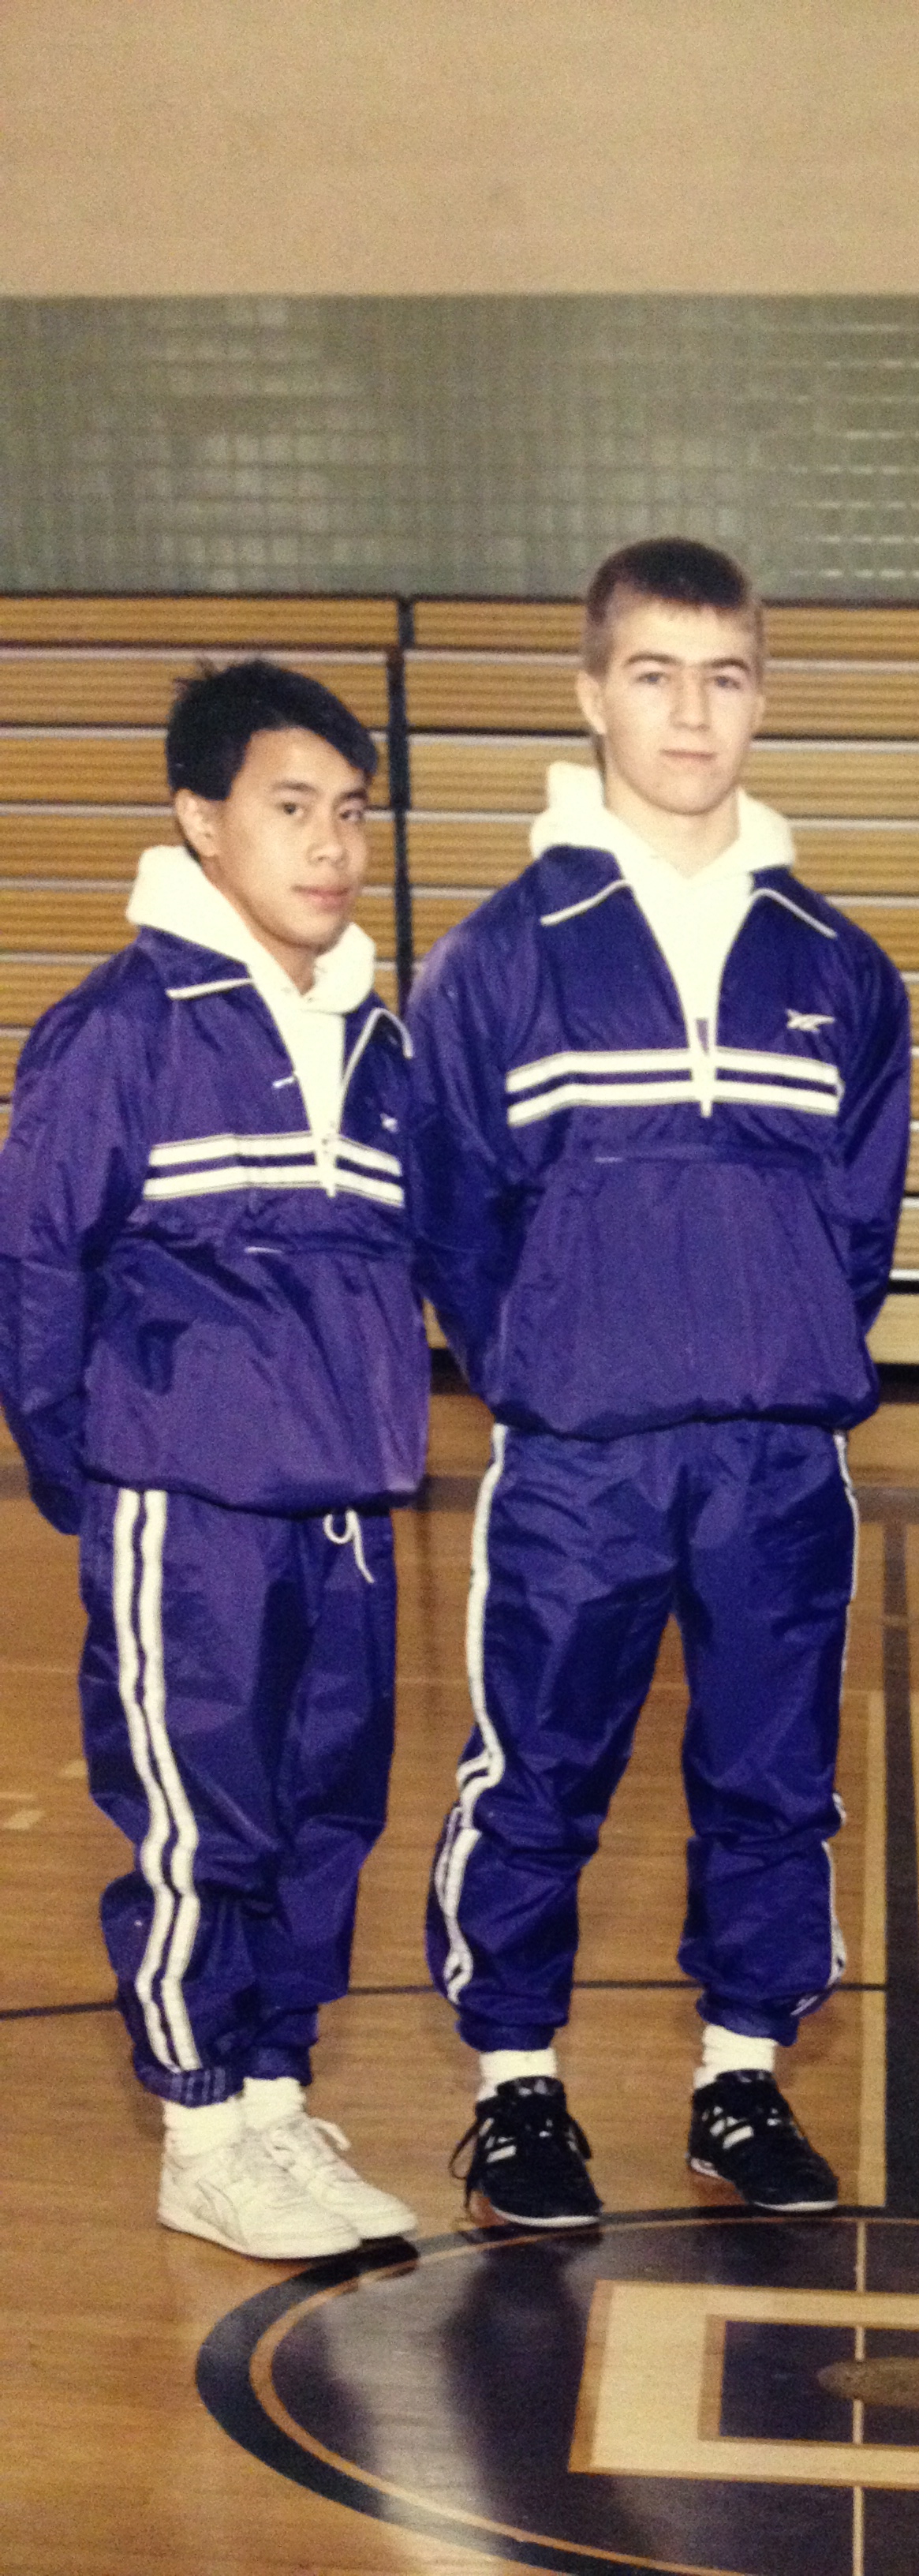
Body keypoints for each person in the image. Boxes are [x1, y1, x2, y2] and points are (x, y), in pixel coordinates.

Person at [408, 536, 910, 2227]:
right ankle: (519, 2089)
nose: (692, 713)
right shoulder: (495, 961)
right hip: (580, 1459)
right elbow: (457, 1216)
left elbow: (853, 1223)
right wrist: (553, 1359)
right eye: (654, 673)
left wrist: (765, 1350)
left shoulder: (839, 968)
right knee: (539, 1772)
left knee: (772, 1779)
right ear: (590, 694)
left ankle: (740, 2082)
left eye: (725, 674)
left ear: (763, 693)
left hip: (775, 1457)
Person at [0, 660, 427, 2259]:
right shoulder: (118, 1032)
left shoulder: (375, 1039)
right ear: (200, 819)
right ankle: (197, 2119)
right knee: (204, 1819)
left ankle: (269, 2101)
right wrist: (100, 1475)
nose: (328, 847)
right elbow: (36, 1273)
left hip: (342, 1508)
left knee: (328, 1812)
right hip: (186, 1504)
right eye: (289, 810)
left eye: (348, 815)